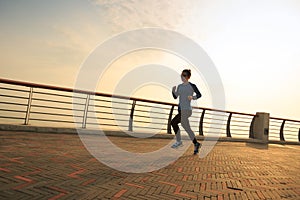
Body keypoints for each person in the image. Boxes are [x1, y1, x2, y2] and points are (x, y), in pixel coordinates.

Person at [171, 69, 202, 155]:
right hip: (181, 110)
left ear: (188, 77)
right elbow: (175, 97)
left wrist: (193, 98)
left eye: (184, 75)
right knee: (187, 128)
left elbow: (199, 94)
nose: (182, 77)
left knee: (173, 122)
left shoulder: (192, 86)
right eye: (182, 75)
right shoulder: (180, 86)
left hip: (187, 110)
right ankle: (196, 143)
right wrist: (173, 91)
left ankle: (179, 141)